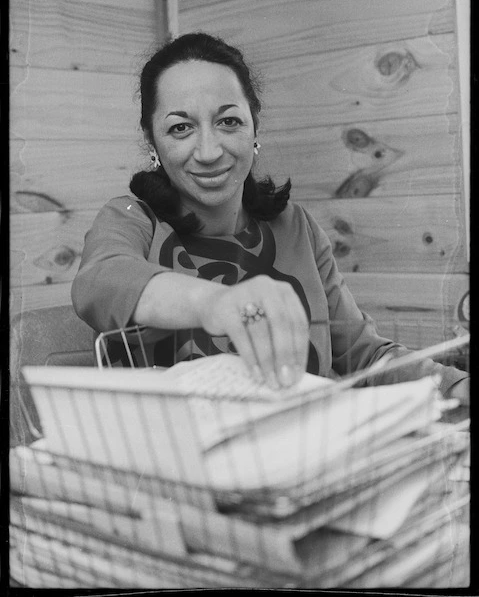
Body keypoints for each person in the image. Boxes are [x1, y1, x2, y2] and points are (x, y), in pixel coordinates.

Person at [71, 32, 469, 402]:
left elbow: (365, 357)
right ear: (152, 142)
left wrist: (457, 387)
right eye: (181, 128)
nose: (209, 151)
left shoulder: (297, 227)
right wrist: (217, 303)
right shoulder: (130, 219)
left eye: (229, 121)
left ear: (254, 126)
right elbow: (100, 283)